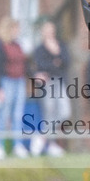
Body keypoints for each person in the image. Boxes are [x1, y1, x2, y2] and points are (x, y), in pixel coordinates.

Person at [0, 17, 30, 159]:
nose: (17, 32)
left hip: (19, 82)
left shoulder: (18, 45)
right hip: (5, 82)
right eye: (15, 29)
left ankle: (17, 145)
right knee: (3, 114)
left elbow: (24, 64)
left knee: (17, 115)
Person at [30, 20, 71, 157]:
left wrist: (56, 54)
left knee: (65, 112)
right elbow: (42, 66)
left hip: (60, 82)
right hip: (47, 84)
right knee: (49, 114)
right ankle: (51, 145)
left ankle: (41, 137)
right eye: (47, 30)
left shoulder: (61, 45)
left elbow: (66, 61)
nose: (49, 33)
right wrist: (55, 62)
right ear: (43, 32)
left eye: (51, 30)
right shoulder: (39, 49)